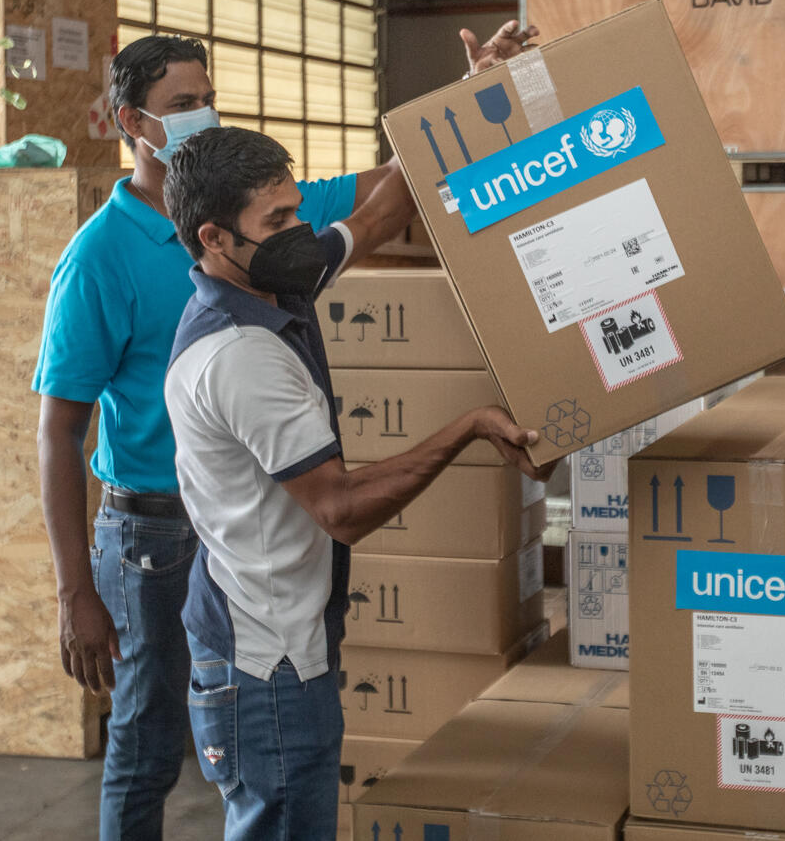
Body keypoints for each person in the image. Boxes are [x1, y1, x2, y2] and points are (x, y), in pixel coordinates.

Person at [34, 22, 536, 840]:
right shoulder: (113, 266)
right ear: (133, 122)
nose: (201, 114)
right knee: (150, 741)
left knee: (238, 733)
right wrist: (75, 590)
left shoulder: (270, 250)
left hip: (243, 527)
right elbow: (61, 429)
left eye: (207, 99)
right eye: (181, 103)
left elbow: (382, 204)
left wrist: (478, 97)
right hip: (153, 528)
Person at [161, 126, 550, 840]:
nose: (298, 232)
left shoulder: (275, 277)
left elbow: (379, 212)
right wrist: (466, 429)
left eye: (296, 210)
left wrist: (471, 102)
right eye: (276, 222)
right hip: (265, 663)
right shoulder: (240, 353)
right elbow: (340, 508)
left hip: (271, 638)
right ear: (214, 238)